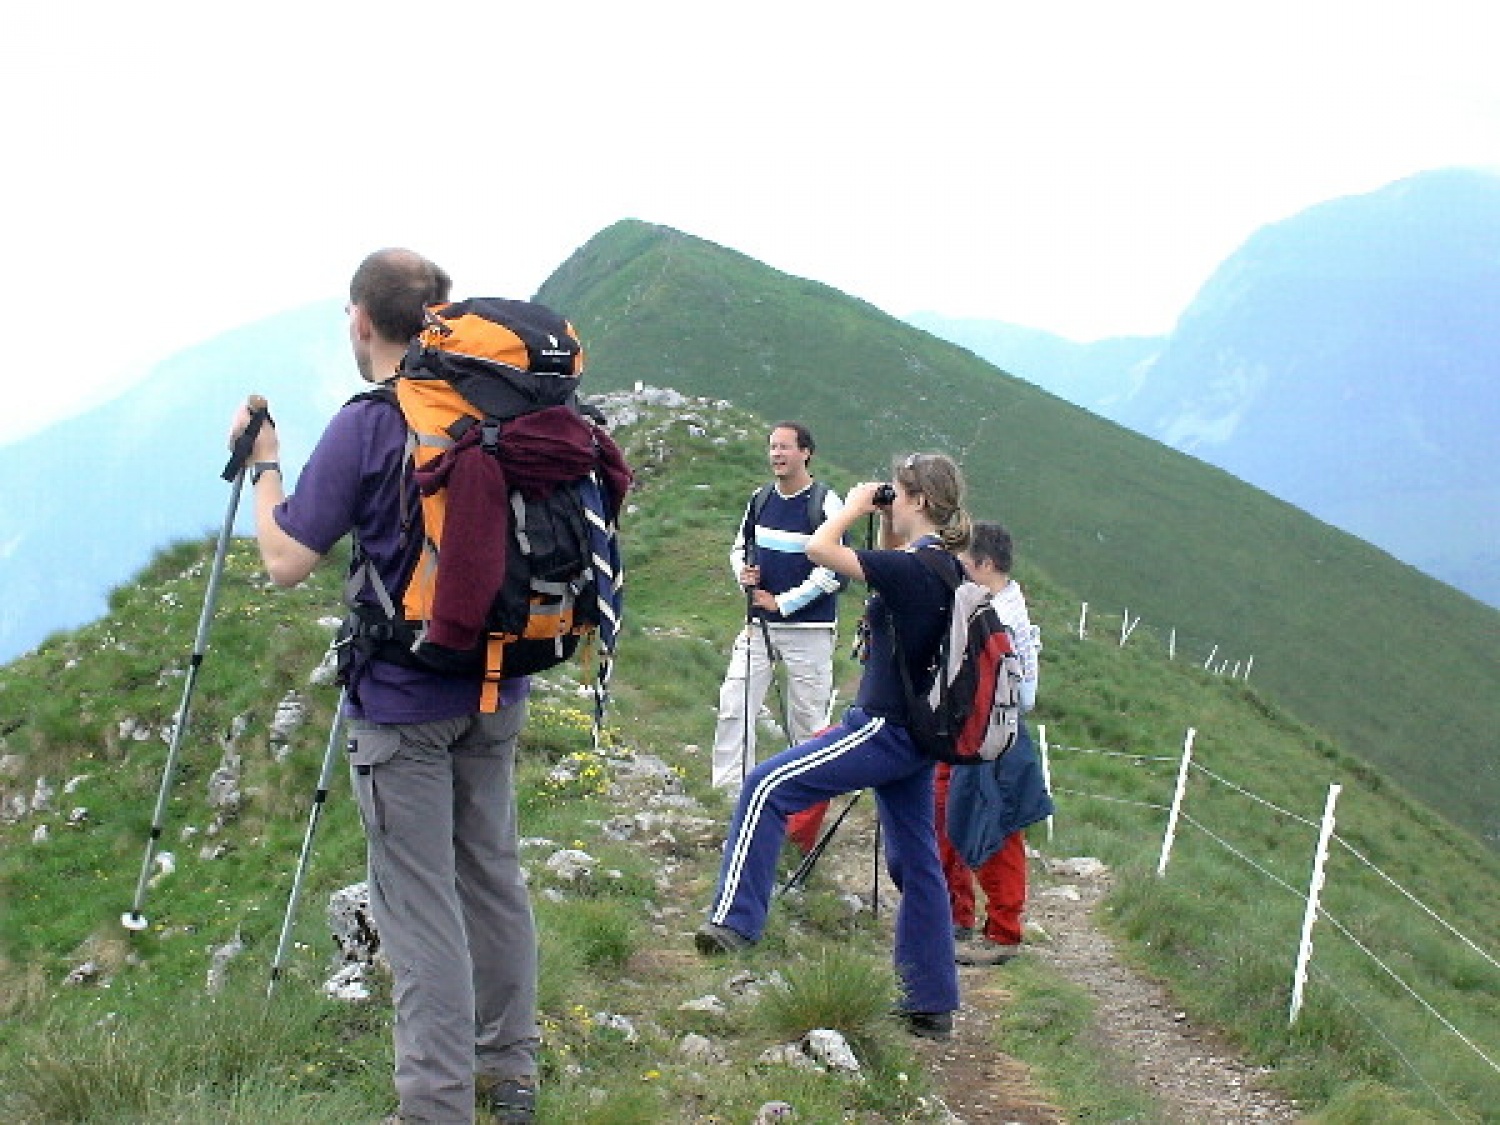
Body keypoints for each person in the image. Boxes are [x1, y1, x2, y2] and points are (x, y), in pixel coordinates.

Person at [228, 249, 540, 1125]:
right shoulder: (500, 407)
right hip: (497, 684)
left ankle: (434, 1107)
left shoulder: (370, 423)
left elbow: (286, 559)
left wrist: (266, 464)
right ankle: (509, 1074)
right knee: (492, 876)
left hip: (403, 704)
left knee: (420, 906)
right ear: (440, 314)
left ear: (362, 321)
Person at [696, 452, 971, 1041]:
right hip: (917, 735)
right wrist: (885, 518)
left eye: (897, 491)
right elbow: (888, 570)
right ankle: (930, 1001)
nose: (888, 497)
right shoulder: (943, 566)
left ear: (919, 500)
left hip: (882, 726)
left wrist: (850, 508)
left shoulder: (914, 569)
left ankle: (734, 924)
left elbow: (818, 551)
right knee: (916, 859)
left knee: (766, 786)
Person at [936, 521, 1053, 966]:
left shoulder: (997, 616)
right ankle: (956, 914)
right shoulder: (1001, 606)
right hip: (975, 731)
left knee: (997, 827)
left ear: (984, 564)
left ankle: (1002, 931)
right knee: (952, 817)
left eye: (964, 562)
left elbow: (1016, 692)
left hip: (990, 735)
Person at [710, 422, 843, 798]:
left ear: (806, 453)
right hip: (758, 627)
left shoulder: (826, 504)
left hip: (810, 630)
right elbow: (741, 548)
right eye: (772, 447)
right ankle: (730, 794)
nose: (777, 454)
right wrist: (744, 575)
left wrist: (782, 603)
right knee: (735, 705)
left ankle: (807, 801)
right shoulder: (761, 499)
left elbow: (834, 572)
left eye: (785, 447)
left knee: (808, 719)